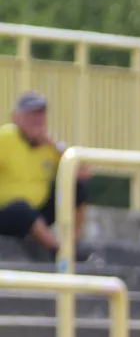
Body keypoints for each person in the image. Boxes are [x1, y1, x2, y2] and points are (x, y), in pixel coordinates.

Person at [0, 94, 93, 260]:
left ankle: (71, 244)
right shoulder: (5, 138)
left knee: (77, 187)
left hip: (38, 212)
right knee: (21, 209)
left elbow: (84, 174)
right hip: (7, 213)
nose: (37, 119)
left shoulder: (49, 146)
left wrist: (54, 145)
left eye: (41, 113)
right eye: (31, 114)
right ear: (16, 117)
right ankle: (59, 251)